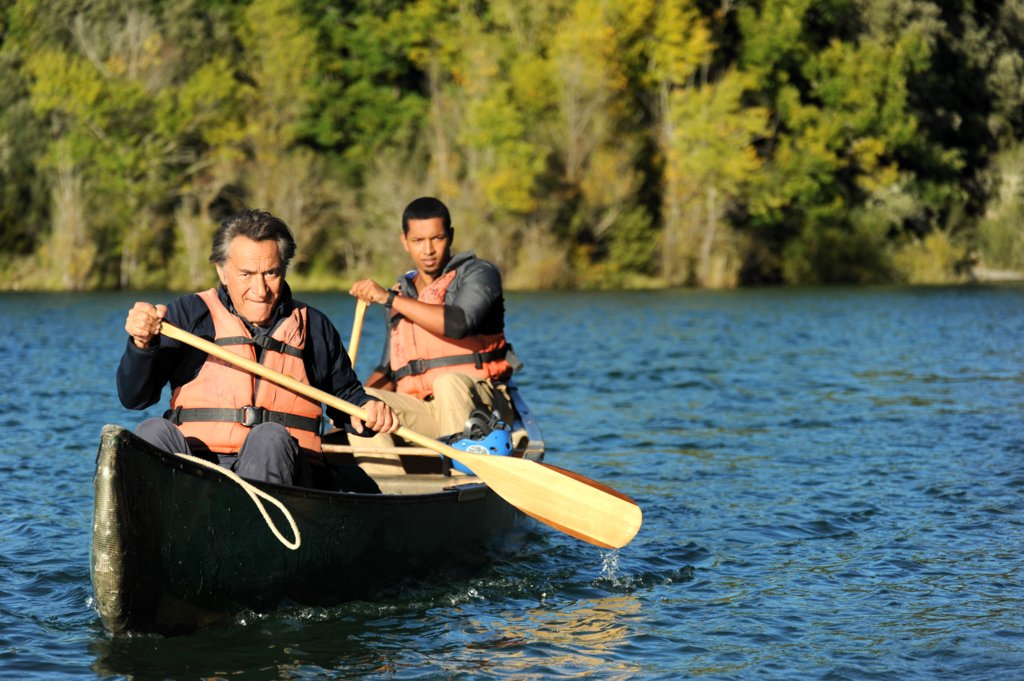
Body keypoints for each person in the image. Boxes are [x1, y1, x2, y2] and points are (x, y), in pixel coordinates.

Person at [117, 208, 399, 488]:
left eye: (271, 273)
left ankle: (254, 526)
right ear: (222, 271)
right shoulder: (189, 316)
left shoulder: (313, 327)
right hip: (200, 473)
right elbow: (135, 397)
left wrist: (369, 409)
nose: (260, 289)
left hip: (286, 472)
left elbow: (347, 399)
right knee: (151, 432)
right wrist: (142, 345)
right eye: (247, 274)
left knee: (269, 437)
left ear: (284, 269)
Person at [347, 196, 518, 453]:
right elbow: (389, 370)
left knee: (447, 382)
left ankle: (462, 478)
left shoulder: (480, 273)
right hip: (425, 410)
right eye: (418, 240)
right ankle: (385, 487)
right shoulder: (400, 295)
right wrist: (348, 406)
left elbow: (460, 323)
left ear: (450, 236)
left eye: (436, 238)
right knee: (362, 406)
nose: (428, 250)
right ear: (405, 241)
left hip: (484, 407)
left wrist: (390, 298)